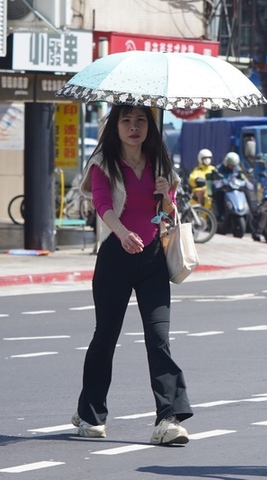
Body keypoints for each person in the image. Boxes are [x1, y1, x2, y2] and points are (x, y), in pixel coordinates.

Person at [74, 106, 192, 444]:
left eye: (140, 120)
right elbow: (102, 205)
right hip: (115, 258)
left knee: (159, 339)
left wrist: (166, 196)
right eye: (126, 120)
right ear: (115, 127)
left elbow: (170, 211)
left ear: (149, 127)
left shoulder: (161, 164)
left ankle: (168, 419)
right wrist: (123, 233)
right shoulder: (103, 164)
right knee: (105, 337)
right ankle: (91, 415)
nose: (133, 127)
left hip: (153, 259)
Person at [211, 151, 256, 225]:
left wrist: (247, 183)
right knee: (219, 196)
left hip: (235, 188)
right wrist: (220, 182)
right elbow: (215, 179)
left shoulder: (237, 169)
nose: (233, 167)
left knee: (247, 193)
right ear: (226, 163)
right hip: (224, 189)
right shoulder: (218, 169)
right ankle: (221, 215)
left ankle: (250, 216)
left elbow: (242, 177)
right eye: (231, 165)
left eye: (234, 165)